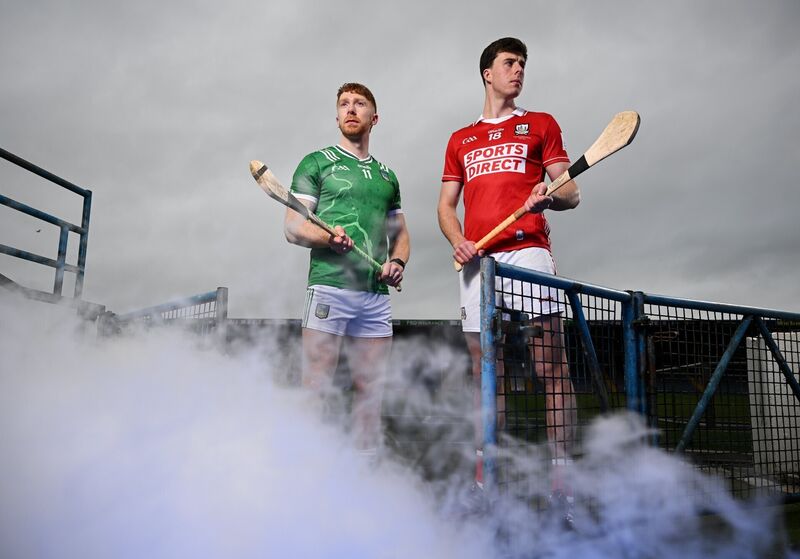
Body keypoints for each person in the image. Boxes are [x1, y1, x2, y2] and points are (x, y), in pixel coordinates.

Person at [437, 37, 579, 512]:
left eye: (522, 63)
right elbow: (445, 207)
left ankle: (562, 487)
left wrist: (549, 192)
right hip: (478, 262)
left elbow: (571, 191)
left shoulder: (540, 124)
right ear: (487, 73)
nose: (518, 70)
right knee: (485, 373)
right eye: (509, 63)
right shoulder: (461, 139)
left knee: (550, 368)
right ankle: (486, 479)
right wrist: (456, 238)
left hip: (528, 254)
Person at [285, 82, 410, 457]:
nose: (350, 109)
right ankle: (309, 471)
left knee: (371, 390)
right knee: (316, 385)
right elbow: (292, 226)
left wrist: (397, 262)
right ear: (337, 115)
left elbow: (401, 234)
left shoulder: (388, 177)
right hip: (329, 288)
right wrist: (327, 239)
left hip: (374, 296)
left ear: (375, 117)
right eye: (343, 104)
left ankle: (365, 473)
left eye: (359, 103)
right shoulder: (316, 162)